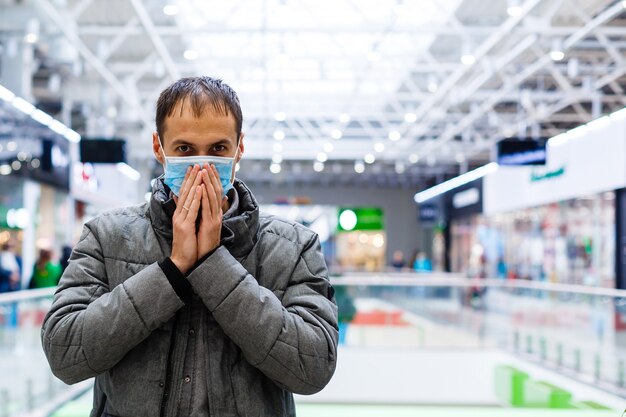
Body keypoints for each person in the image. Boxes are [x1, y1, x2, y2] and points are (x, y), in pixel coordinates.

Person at [41, 76, 338, 417]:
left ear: (239, 148)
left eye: (218, 149)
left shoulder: (294, 247)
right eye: (184, 149)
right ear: (159, 148)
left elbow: (312, 367)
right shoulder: (106, 236)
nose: (201, 165)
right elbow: (64, 352)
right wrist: (172, 269)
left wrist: (214, 264)